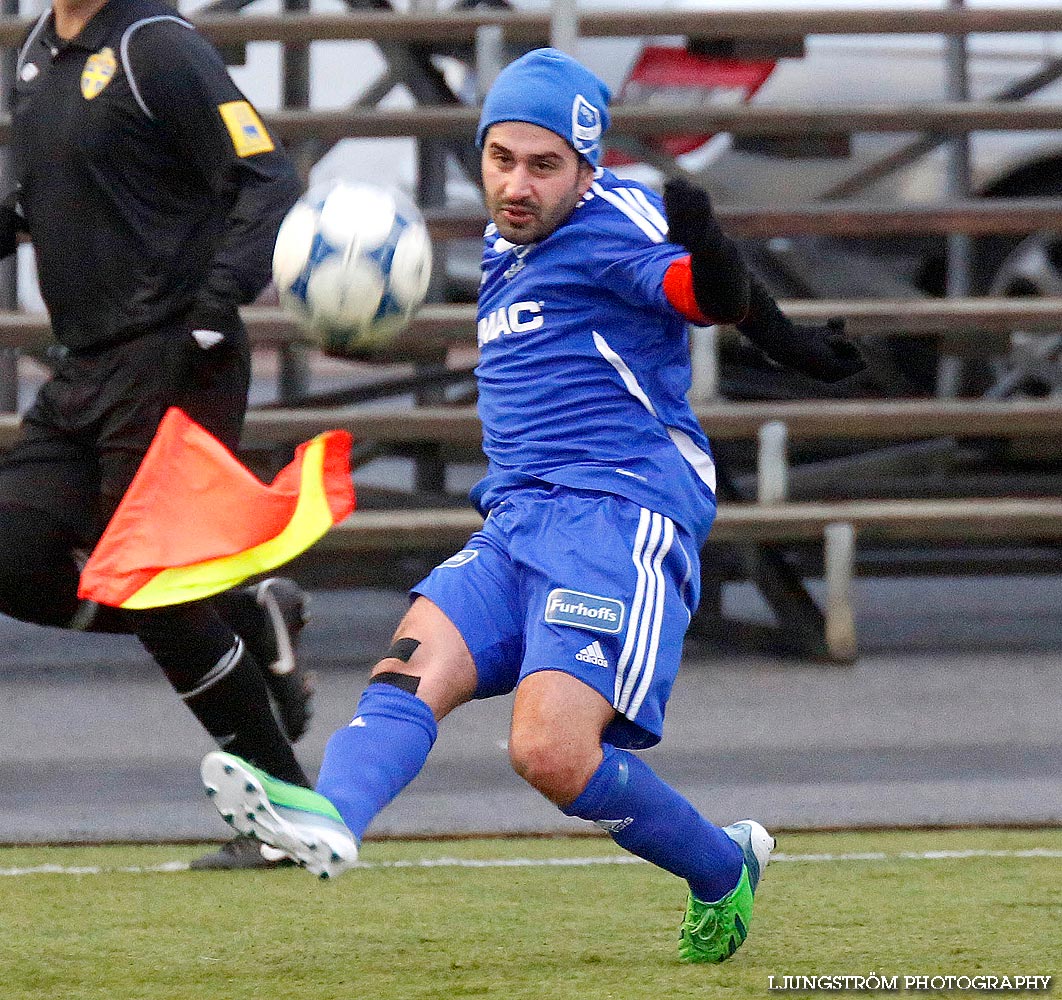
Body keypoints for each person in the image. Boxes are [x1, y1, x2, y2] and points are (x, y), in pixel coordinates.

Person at [201, 49, 864, 958]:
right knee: (403, 679)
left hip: (617, 516)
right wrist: (792, 343)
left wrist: (717, 256)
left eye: (544, 164)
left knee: (549, 753)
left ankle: (720, 867)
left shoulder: (613, 223)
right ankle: (329, 820)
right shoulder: (505, 244)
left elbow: (699, 291)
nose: (517, 183)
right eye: (501, 158)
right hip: (515, 522)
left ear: (585, 165)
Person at [0, 0, 317, 869]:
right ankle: (247, 617)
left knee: (153, 586)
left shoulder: (157, 46)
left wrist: (215, 309)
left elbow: (267, 175)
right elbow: (46, 199)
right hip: (86, 366)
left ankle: (287, 813)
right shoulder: (35, 54)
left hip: (176, 358)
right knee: (15, 559)